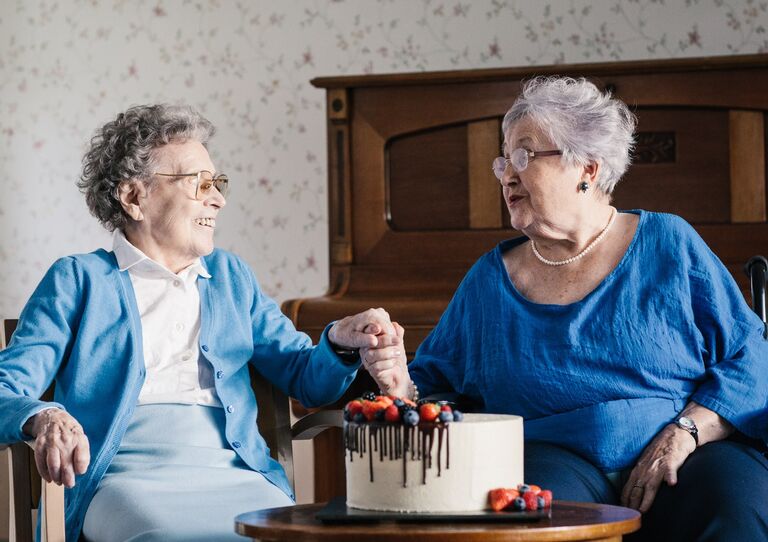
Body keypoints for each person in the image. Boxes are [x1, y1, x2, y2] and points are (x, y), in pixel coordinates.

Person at [362, 77, 768, 541]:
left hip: (684, 447)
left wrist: (687, 431)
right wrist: (399, 386)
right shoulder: (489, 282)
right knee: (529, 519)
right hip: (551, 456)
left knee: (735, 507)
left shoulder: (669, 245)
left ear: (587, 169)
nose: (506, 175)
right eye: (504, 160)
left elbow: (751, 356)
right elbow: (434, 392)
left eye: (525, 156)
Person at [0, 104, 404, 542]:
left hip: (238, 472)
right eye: (200, 184)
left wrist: (341, 342)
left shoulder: (231, 277)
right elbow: (6, 388)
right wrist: (44, 416)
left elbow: (306, 379)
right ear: (134, 197)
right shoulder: (77, 279)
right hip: (122, 480)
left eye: (218, 183)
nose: (218, 198)